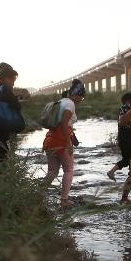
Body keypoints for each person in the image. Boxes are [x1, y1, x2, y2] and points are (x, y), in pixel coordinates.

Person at [43, 79, 85, 208]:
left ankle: (38, 195)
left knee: (52, 172)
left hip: (50, 140)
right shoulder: (70, 104)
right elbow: (64, 123)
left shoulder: (61, 102)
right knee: (69, 170)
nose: (80, 100)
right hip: (61, 140)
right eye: (81, 97)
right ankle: (64, 200)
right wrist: (68, 143)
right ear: (77, 95)